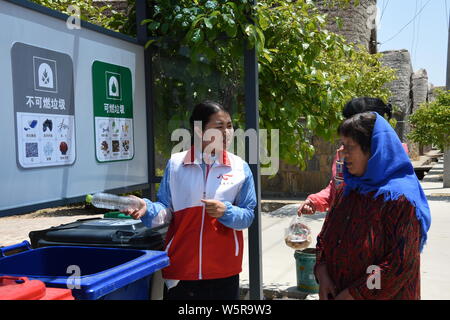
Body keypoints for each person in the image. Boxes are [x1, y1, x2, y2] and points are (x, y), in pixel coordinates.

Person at [121, 100, 256, 300]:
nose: (227, 132)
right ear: (199, 130)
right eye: (219, 127)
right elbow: (165, 211)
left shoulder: (239, 168)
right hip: (182, 268)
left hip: (224, 270)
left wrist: (225, 212)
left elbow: (248, 216)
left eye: (229, 126)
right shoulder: (176, 165)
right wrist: (146, 208)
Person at [314, 112, 431, 300]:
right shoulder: (348, 188)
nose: (343, 152)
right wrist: (322, 270)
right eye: (342, 145)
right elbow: (325, 236)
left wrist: (356, 294)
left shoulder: (400, 199)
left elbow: (400, 264)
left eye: (350, 146)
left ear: (374, 150)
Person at [298, 97, 406, 216]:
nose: (343, 152)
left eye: (352, 121)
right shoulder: (343, 154)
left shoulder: (398, 195)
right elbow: (336, 188)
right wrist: (315, 200)